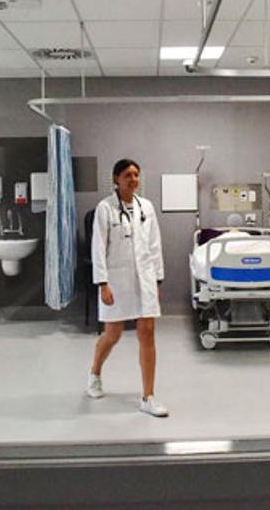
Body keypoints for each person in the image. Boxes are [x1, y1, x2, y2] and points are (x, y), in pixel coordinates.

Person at [86, 159, 168, 417]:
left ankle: (149, 396)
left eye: (136, 175)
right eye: (127, 175)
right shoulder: (105, 208)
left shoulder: (147, 207)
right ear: (116, 179)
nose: (133, 179)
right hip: (116, 279)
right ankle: (95, 373)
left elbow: (155, 245)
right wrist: (102, 283)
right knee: (113, 334)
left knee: (147, 332)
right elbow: (98, 248)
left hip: (144, 277)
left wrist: (157, 280)